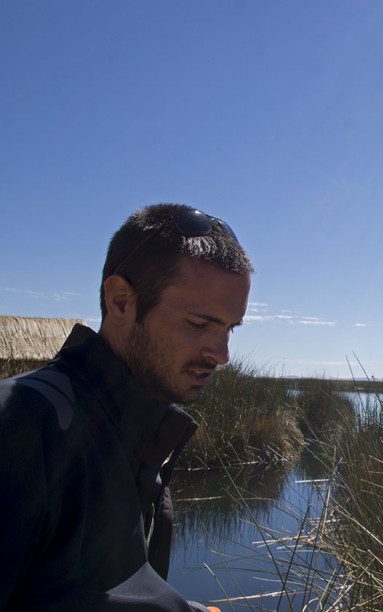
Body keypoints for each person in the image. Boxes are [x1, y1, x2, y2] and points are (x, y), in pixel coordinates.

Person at [0, 204, 252, 611]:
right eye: (199, 324)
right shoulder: (22, 422)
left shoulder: (137, 433)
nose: (222, 354)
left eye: (230, 328)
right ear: (120, 301)